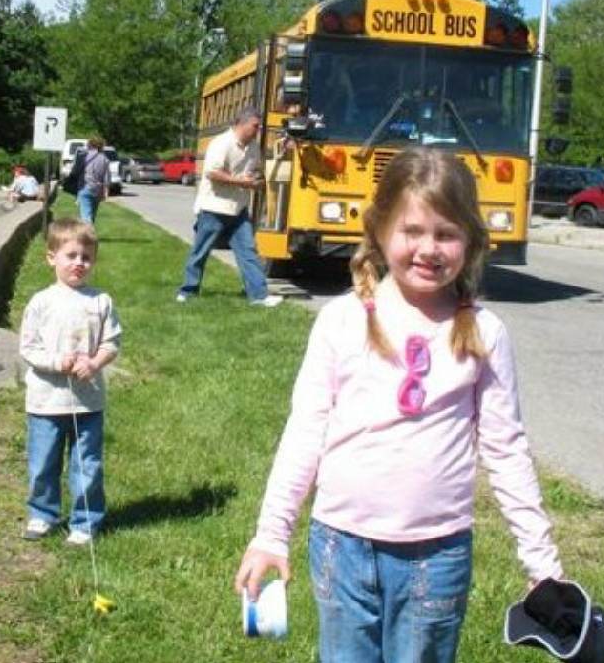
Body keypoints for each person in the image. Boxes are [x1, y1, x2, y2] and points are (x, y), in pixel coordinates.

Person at [235, 147, 564, 662]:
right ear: (380, 229)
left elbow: (506, 450)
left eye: (447, 234)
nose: (429, 248)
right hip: (339, 547)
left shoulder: (485, 333)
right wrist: (272, 534)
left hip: (437, 556)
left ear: (472, 241)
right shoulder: (342, 321)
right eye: (412, 231)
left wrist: (542, 566)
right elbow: (306, 430)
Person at [19, 218, 121, 545]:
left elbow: (111, 342)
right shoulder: (41, 302)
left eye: (86, 257)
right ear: (52, 257)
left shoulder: (100, 301)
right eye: (71, 255)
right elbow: (29, 347)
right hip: (45, 402)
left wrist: (94, 363)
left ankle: (85, 521)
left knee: (86, 464)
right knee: (43, 463)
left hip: (87, 402)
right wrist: (55, 362)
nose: (79, 263)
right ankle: (42, 513)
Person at [176, 106, 283, 307]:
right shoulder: (221, 143)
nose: (258, 130)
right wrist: (242, 182)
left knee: (248, 252)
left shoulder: (253, 148)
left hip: (238, 209)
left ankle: (259, 296)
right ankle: (187, 291)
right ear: (242, 124)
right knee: (201, 251)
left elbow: (258, 171)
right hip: (214, 207)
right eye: (255, 126)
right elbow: (212, 173)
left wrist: (257, 180)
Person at [69, 136, 109, 223]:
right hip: (98, 190)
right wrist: (105, 192)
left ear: (89, 145)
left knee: (86, 217)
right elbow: (106, 178)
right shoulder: (105, 159)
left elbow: (75, 171)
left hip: (85, 187)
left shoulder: (84, 156)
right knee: (92, 216)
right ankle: (90, 234)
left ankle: (88, 235)